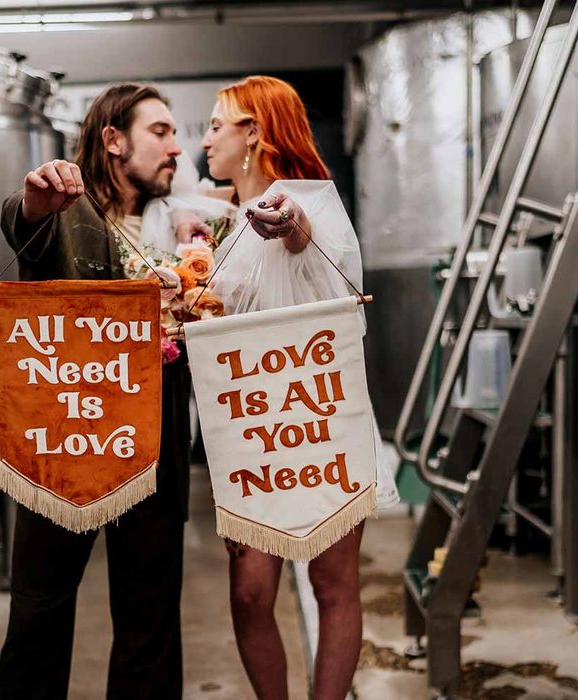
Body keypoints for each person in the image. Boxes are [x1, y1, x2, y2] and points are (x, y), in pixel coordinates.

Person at [199, 75, 399, 700]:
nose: (203, 140)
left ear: (253, 133)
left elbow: (303, 234)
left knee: (333, 583)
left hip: (321, 418)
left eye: (214, 125)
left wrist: (288, 224)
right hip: (253, 427)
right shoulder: (225, 226)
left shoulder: (307, 202)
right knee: (250, 590)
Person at [0, 83, 191, 700]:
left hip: (154, 448)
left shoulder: (182, 222)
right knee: (38, 616)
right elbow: (23, 223)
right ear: (113, 140)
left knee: (150, 623)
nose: (176, 147)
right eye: (159, 131)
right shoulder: (66, 207)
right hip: (66, 446)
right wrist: (33, 200)